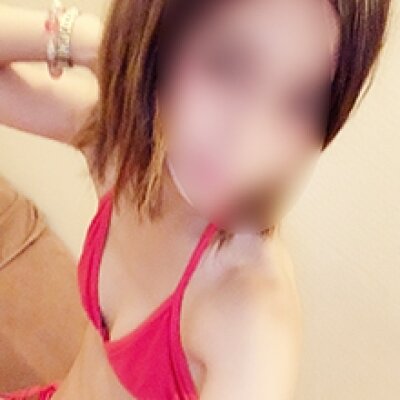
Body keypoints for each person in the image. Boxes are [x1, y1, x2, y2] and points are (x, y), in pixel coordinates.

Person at [0, 0, 391, 399]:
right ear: (160, 32)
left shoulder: (249, 314)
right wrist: (91, 42)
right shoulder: (123, 156)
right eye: (227, 65)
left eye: (300, 103)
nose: (248, 141)